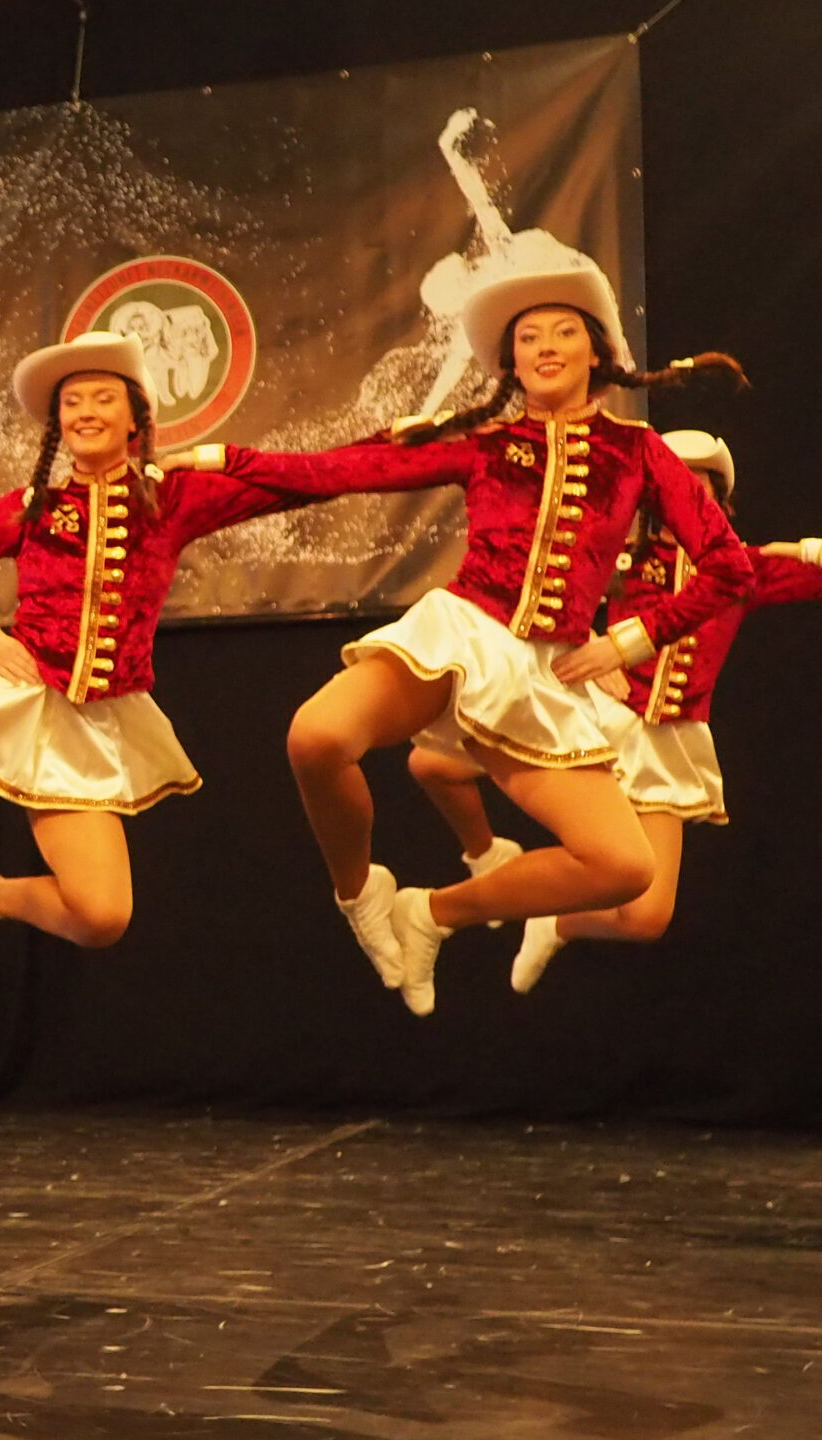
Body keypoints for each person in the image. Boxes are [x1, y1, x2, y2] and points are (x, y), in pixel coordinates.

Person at [167, 264, 751, 1014]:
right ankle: (360, 896)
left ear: (597, 352)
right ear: (510, 363)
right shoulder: (485, 445)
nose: (545, 347)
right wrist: (223, 458)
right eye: (528, 338)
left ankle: (432, 913)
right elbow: (343, 471)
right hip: (464, 632)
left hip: (542, 674)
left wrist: (629, 642)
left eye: (563, 332)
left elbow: (729, 566)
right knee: (316, 737)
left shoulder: (639, 451)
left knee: (624, 867)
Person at [0, 332, 336, 976]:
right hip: (9, 702)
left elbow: (311, 482)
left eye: (102, 398)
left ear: (135, 418)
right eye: (71, 402)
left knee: (101, 918)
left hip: (83, 732)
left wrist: (221, 456)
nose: (84, 412)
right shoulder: (35, 508)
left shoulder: (172, 501)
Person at [404, 431, 822, 991]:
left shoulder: (744, 570)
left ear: (721, 506)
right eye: (676, 491)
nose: (688, 505)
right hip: (597, 717)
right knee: (434, 764)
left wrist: (802, 550)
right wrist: (589, 646)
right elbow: (536, 591)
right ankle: (485, 854)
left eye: (702, 493)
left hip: (665, 746)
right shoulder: (620, 554)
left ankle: (555, 923)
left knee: (647, 917)